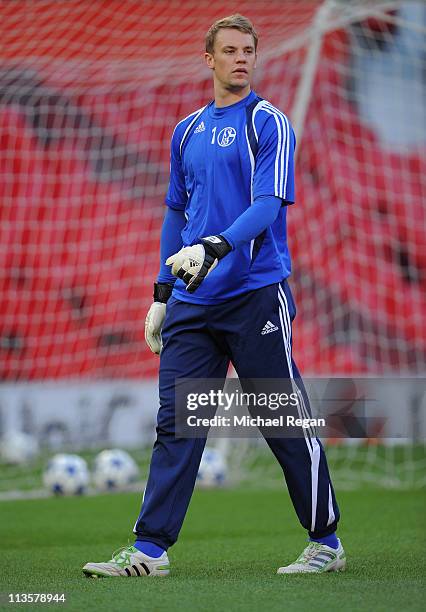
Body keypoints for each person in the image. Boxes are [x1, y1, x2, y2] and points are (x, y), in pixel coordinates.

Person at [83, 14, 345, 578]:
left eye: (248, 50)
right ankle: (150, 551)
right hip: (192, 303)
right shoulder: (186, 130)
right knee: (176, 421)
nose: (241, 58)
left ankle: (326, 541)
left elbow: (269, 206)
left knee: (282, 420)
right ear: (209, 59)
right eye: (229, 50)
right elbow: (176, 212)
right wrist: (161, 291)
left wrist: (215, 247)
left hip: (254, 296)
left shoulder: (269, 123)